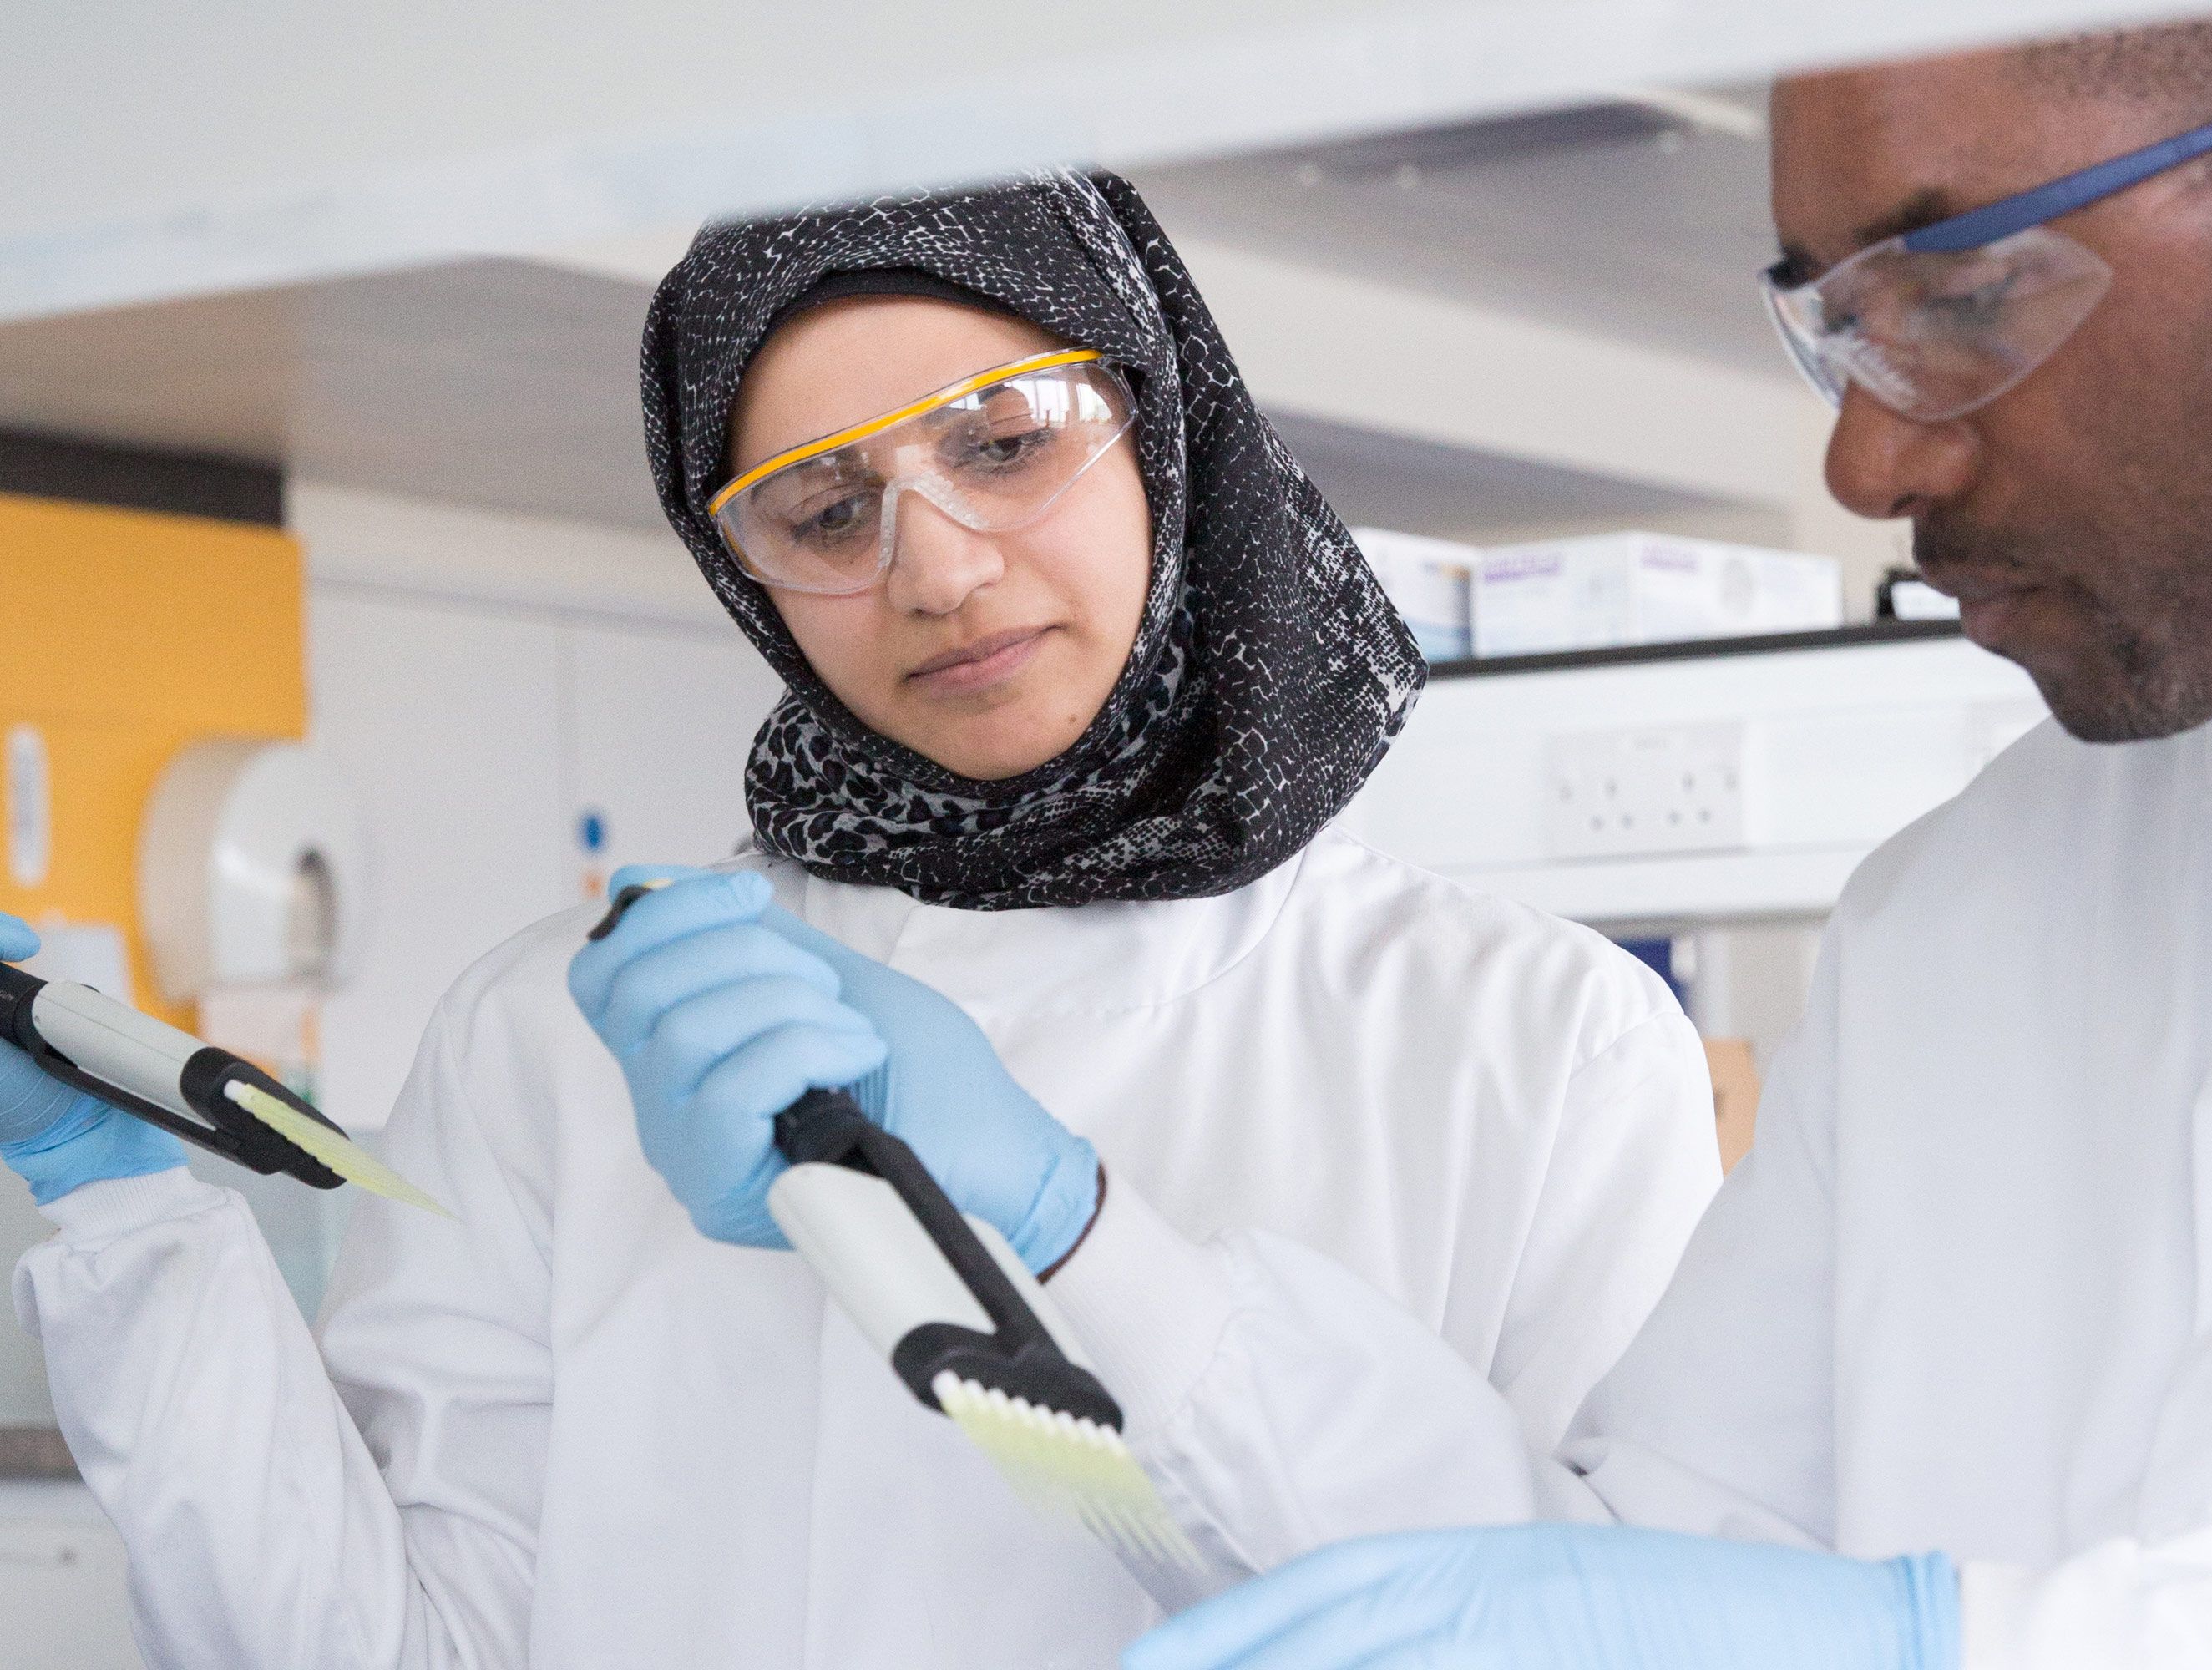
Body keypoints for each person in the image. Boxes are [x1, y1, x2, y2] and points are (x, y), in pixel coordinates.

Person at [0, 170, 1722, 1668]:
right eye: (826, 509)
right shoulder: (566, 1031)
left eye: (1004, 444)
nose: (939, 565)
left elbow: (1595, 1632)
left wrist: (1079, 1233)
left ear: (1162, 420)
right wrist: (126, 1221)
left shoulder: (1533, 1041)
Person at [1000, 8, 2212, 1668]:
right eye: (1837, 328)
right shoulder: (1958, 916)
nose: (1863, 458)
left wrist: (1930, 1639)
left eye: (1959, 295)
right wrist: (1076, 1237)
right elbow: (1647, 1569)